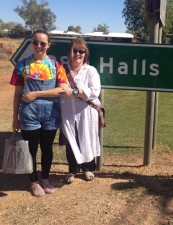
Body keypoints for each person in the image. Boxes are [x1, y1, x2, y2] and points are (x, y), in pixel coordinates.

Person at [10, 30, 68, 197]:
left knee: (47, 148)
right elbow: (17, 94)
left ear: (48, 45)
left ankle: (45, 179)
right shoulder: (22, 65)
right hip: (29, 115)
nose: (39, 46)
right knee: (31, 150)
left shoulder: (56, 66)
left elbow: (62, 90)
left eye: (43, 43)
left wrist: (36, 94)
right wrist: (15, 119)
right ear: (31, 43)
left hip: (50, 114)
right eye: (35, 42)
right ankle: (33, 182)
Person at [59, 37, 101, 184]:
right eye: (75, 50)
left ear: (85, 53)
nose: (78, 54)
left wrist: (76, 92)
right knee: (71, 140)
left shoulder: (90, 71)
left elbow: (95, 91)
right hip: (67, 112)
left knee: (87, 138)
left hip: (86, 112)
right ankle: (72, 169)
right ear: (70, 52)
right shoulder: (62, 70)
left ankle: (87, 168)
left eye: (81, 51)